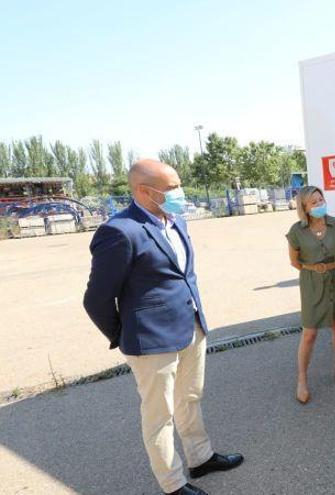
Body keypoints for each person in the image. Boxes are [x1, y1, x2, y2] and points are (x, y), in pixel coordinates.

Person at [83, 160, 243, 495]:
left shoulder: (176, 221)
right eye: (171, 188)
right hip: (151, 342)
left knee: (191, 397)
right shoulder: (119, 231)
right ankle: (173, 484)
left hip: (191, 325)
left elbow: (184, 276)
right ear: (144, 191)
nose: (179, 193)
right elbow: (96, 300)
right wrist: (125, 334)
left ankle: (201, 458)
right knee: (160, 415)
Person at [286, 186, 335, 405]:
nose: (319, 204)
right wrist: (316, 271)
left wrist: (331, 269)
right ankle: (302, 379)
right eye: (314, 202)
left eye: (320, 199)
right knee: (309, 334)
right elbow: (295, 262)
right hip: (312, 283)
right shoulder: (297, 231)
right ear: (304, 207)